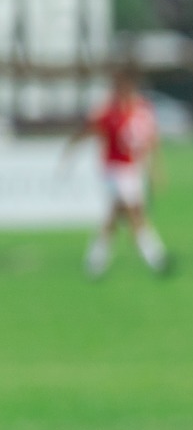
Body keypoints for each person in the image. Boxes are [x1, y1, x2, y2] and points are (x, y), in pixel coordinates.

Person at [64, 68, 169, 277]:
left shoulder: (141, 111)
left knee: (115, 216)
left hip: (132, 169)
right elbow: (89, 130)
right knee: (133, 212)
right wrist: (71, 148)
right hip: (114, 171)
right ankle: (155, 257)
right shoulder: (108, 112)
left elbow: (150, 141)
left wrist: (154, 168)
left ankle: (96, 261)